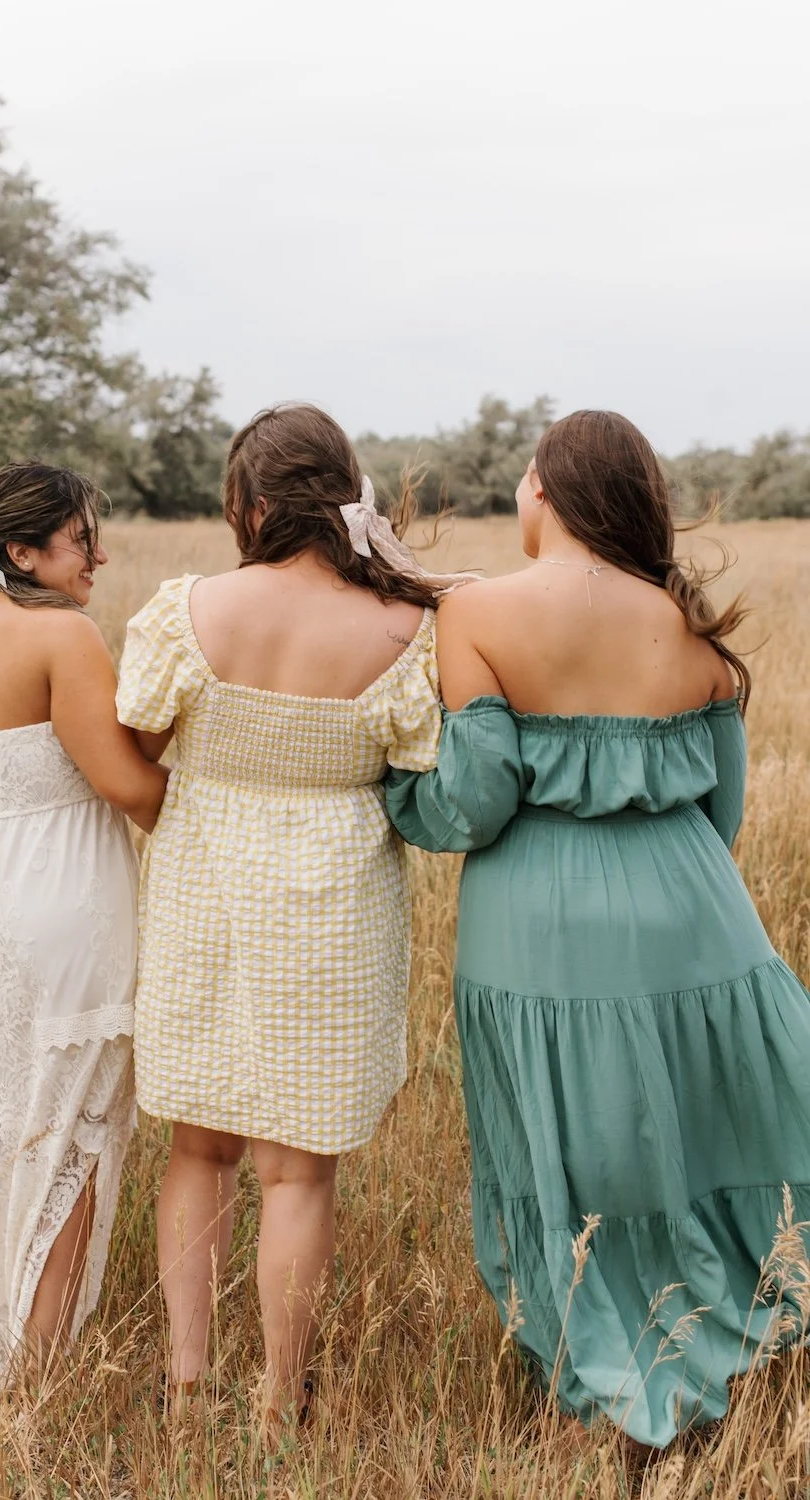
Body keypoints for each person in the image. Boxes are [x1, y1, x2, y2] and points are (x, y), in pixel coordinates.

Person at [386, 409, 810, 1450]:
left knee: (576, 1143)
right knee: (712, 1123)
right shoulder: (689, 625)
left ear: (548, 491)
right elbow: (720, 814)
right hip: (698, 918)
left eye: (527, 473)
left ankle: (616, 1361)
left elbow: (474, 803)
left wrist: (398, 796)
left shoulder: (477, 615)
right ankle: (741, 1320)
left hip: (538, 927)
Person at [116, 403, 467, 1425]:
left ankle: (187, 1387)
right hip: (333, 910)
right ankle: (278, 1398)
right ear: (346, 497)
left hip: (205, 892)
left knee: (199, 1149)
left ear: (253, 502)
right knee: (296, 1172)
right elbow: (421, 763)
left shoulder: (188, 610)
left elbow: (134, 746)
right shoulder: (407, 629)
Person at [0, 462, 168, 1409]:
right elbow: (130, 790)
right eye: (81, 538)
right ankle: (25, 1377)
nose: (100, 553)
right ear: (22, 552)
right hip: (64, 914)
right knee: (69, 1128)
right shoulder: (64, 637)